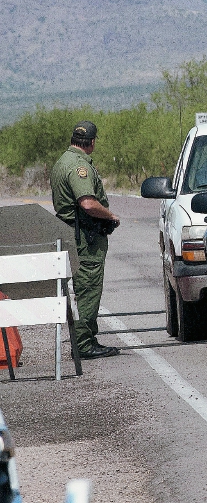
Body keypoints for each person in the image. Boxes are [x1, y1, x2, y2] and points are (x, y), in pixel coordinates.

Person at [50, 121, 121, 359]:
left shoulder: (62, 161)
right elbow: (87, 203)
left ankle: (87, 339)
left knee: (83, 289)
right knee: (88, 289)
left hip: (73, 233)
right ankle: (84, 344)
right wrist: (110, 215)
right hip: (84, 239)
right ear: (91, 142)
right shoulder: (79, 166)